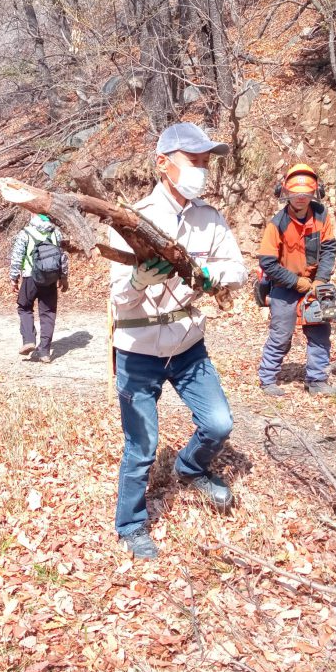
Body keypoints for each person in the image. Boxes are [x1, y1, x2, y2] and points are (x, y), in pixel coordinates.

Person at [110, 122, 248, 560]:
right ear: (163, 163)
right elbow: (117, 295)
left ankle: (190, 468)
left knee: (219, 423)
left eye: (206, 163)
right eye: (194, 162)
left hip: (189, 343)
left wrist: (211, 276)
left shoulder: (209, 219)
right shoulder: (133, 219)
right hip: (139, 348)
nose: (201, 171)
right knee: (142, 446)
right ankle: (131, 524)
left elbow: (238, 270)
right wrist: (137, 279)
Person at [257, 163, 336, 397]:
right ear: (286, 193)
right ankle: (267, 378)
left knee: (319, 333)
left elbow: (329, 249)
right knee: (281, 334)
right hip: (285, 285)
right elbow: (268, 262)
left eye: (305, 194)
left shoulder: (322, 215)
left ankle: (317, 380)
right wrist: (296, 282)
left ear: (315, 193)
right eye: (295, 194)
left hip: (314, 284)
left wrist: (321, 279)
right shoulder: (277, 223)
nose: (301, 199)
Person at [9, 212, 69, 361]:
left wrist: (14, 278)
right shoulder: (56, 233)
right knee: (48, 312)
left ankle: (29, 340)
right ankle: (45, 352)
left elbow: (17, 256)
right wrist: (64, 277)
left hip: (31, 277)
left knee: (24, 307)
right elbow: (63, 256)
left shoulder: (26, 233)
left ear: (32, 215)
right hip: (51, 278)